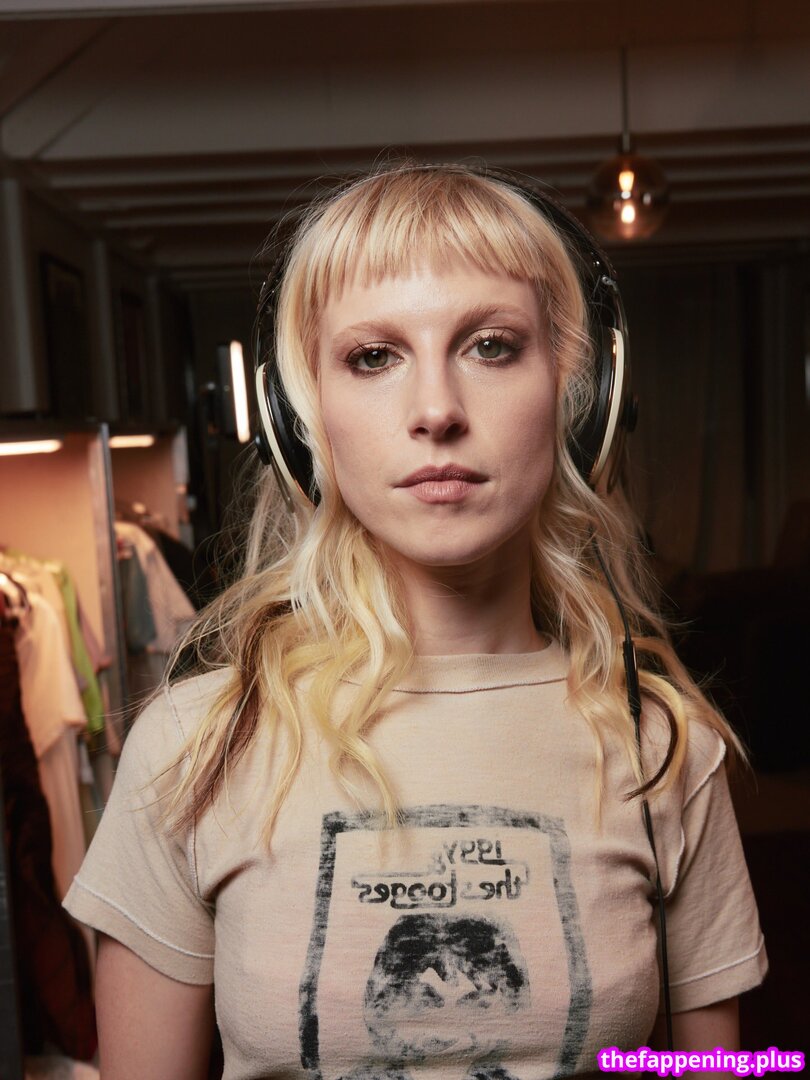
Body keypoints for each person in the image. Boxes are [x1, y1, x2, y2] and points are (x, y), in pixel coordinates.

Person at [63, 164, 767, 1079]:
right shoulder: (193, 747)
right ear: (300, 418)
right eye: (373, 357)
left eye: (491, 346)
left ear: (579, 395)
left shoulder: (662, 745)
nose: (436, 411)